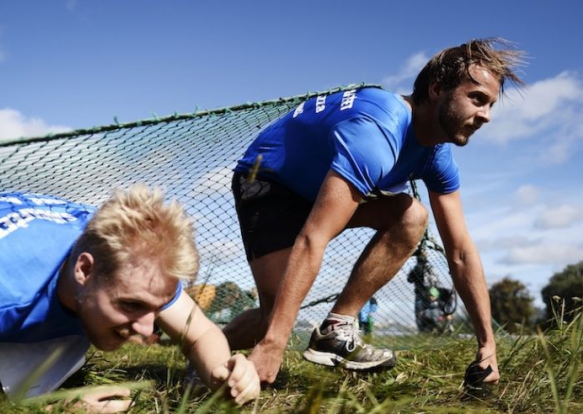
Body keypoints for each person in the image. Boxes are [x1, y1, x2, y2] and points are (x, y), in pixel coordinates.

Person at [222, 38, 525, 385]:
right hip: (269, 179)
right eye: (477, 98)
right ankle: (202, 342)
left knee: (412, 216)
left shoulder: (436, 155)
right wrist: (273, 343)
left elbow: (460, 251)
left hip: (318, 186)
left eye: (490, 105)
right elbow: (314, 236)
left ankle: (336, 329)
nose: (486, 115)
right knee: (272, 320)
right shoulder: (377, 130)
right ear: (438, 89)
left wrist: (487, 345)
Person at [0, 186, 260, 413]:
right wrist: (56, 408)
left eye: (156, 308)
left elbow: (201, 333)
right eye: (131, 306)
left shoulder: (142, 265)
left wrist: (224, 374)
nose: (147, 329)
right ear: (84, 270)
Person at [407, 250, 441, 332]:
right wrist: (435, 294)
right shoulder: (431, 268)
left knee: (420, 314)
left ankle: (423, 330)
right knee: (433, 311)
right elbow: (436, 282)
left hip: (420, 293)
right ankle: (433, 328)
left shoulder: (416, 268)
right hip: (431, 292)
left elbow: (409, 279)